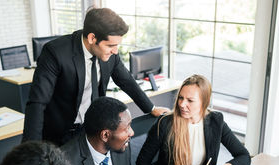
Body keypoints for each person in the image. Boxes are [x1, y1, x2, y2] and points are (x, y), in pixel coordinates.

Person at [23, 7, 169, 145]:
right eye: (111, 46)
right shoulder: (55, 52)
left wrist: (151, 108)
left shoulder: (109, 54)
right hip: (60, 132)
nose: (115, 51)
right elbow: (37, 102)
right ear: (92, 38)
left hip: (92, 129)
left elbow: (126, 81)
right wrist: (30, 150)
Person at [136, 74, 251, 165]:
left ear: (204, 102)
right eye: (180, 98)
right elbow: (142, 161)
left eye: (190, 100)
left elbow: (244, 156)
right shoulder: (165, 123)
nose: (182, 104)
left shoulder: (215, 121)